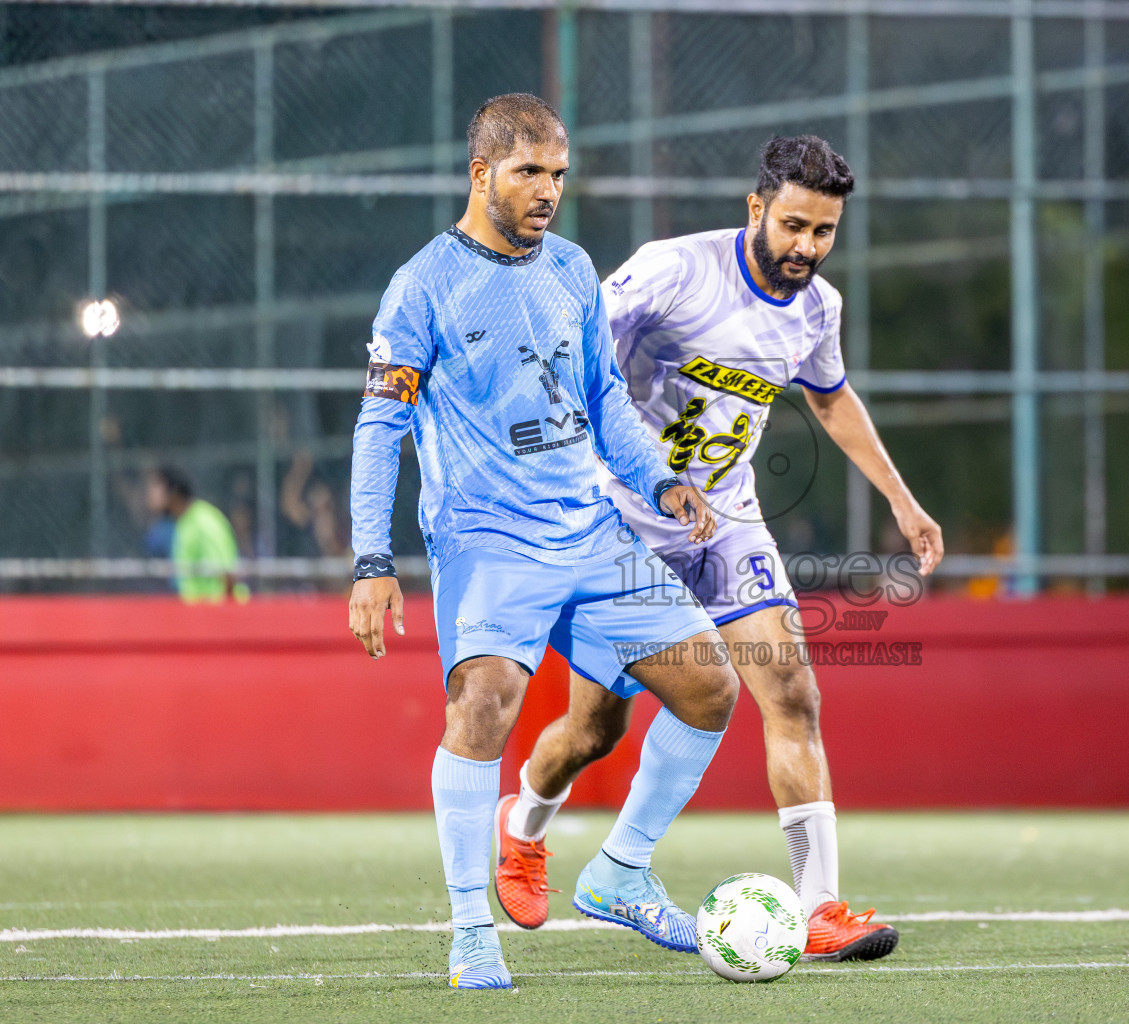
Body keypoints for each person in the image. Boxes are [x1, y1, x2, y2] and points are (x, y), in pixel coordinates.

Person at [491, 135, 945, 963]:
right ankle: (522, 827)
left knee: (792, 692)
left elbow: (832, 399)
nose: (807, 246)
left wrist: (901, 498)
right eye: (794, 225)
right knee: (594, 729)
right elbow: (571, 352)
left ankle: (818, 908)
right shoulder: (672, 270)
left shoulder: (818, 309)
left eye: (824, 231)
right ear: (756, 208)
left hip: (727, 523)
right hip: (622, 522)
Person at [347, 93, 739, 992]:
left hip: (591, 529)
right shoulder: (422, 286)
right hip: (487, 538)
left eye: (559, 173)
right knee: (484, 703)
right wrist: (372, 561)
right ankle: (470, 933)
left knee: (711, 687)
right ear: (481, 173)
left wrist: (661, 479)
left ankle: (621, 871)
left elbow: (604, 398)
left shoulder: (571, 267)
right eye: (529, 172)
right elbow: (380, 426)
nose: (548, 190)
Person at [144, 466, 242, 603]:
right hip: (198, 612)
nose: (149, 493)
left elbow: (227, 575)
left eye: (156, 486)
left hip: (216, 610)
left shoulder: (203, 520)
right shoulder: (183, 523)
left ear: (174, 491)